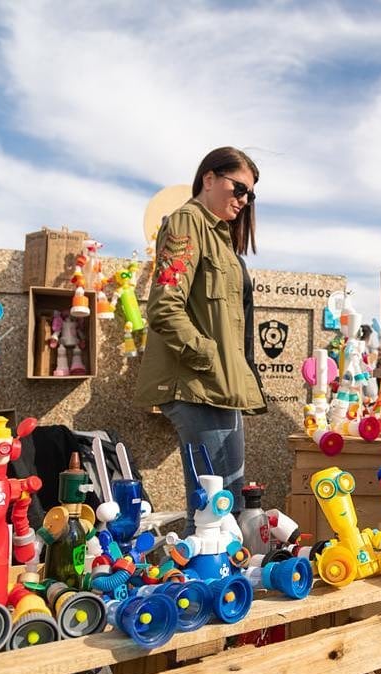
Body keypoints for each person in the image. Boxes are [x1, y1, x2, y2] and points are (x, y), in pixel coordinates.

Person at [134, 146, 266, 533]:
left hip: (220, 387)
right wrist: (209, 357)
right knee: (214, 514)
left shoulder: (220, 238)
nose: (244, 200)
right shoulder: (186, 224)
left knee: (228, 505)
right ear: (208, 178)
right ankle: (203, 589)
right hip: (199, 385)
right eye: (238, 188)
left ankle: (221, 587)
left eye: (250, 195)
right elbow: (164, 308)